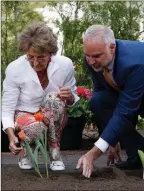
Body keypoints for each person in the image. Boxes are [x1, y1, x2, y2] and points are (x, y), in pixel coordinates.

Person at [2, 22, 79, 171]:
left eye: (41, 57)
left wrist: (69, 97)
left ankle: (54, 153)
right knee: (34, 126)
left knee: (54, 98)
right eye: (30, 57)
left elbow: (73, 98)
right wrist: (11, 136)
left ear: (50, 53)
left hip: (51, 115)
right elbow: (7, 108)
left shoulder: (65, 65)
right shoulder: (14, 69)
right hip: (25, 115)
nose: (35, 63)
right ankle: (26, 151)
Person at [76, 25, 144, 178]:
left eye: (96, 56)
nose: (91, 61)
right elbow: (102, 91)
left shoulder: (135, 63)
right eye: (87, 55)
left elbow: (125, 112)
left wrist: (94, 152)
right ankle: (138, 154)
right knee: (98, 101)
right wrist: (111, 140)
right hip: (130, 97)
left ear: (112, 48)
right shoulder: (93, 58)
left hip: (139, 94)